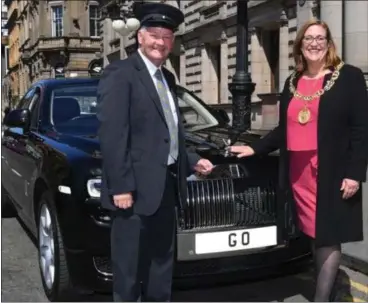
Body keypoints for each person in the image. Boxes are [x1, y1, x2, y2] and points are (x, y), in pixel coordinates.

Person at [229, 19, 368, 302]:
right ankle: (328, 284)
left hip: (331, 170)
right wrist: (255, 149)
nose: (314, 44)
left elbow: (361, 129)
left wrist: (354, 173)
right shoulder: (292, 82)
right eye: (308, 39)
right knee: (314, 233)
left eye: (320, 38)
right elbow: (284, 129)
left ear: (329, 44)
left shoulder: (349, 77)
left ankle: (322, 297)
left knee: (328, 234)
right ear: (300, 45)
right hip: (298, 173)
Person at [96, 2, 214, 302]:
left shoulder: (167, 79)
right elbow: (113, 135)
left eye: (167, 36)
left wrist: (191, 159)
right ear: (140, 37)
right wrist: (121, 186)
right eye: (154, 34)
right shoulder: (120, 73)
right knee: (129, 271)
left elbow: (168, 133)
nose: (160, 42)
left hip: (166, 188)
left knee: (161, 266)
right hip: (131, 194)